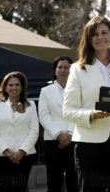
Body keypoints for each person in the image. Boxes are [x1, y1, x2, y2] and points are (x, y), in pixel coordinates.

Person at [62, 16, 110, 192]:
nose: (100, 37)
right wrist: (91, 114)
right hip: (89, 145)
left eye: (104, 33)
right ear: (88, 39)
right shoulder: (77, 69)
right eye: (94, 34)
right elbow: (68, 110)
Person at [0, 71, 39, 192]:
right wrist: (8, 153)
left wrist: (21, 152)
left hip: (25, 156)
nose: (14, 88)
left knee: (21, 188)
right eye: (10, 85)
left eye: (17, 85)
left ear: (22, 87)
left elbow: (34, 131)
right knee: (5, 188)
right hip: (1, 156)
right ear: (5, 87)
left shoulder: (31, 105)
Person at [38, 56, 79, 192]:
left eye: (66, 67)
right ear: (55, 70)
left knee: (74, 181)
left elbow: (80, 112)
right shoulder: (45, 91)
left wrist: (69, 134)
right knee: (54, 181)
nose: (63, 70)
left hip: (75, 139)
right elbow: (44, 116)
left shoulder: (78, 89)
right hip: (52, 141)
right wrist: (59, 135)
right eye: (59, 67)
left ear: (71, 70)